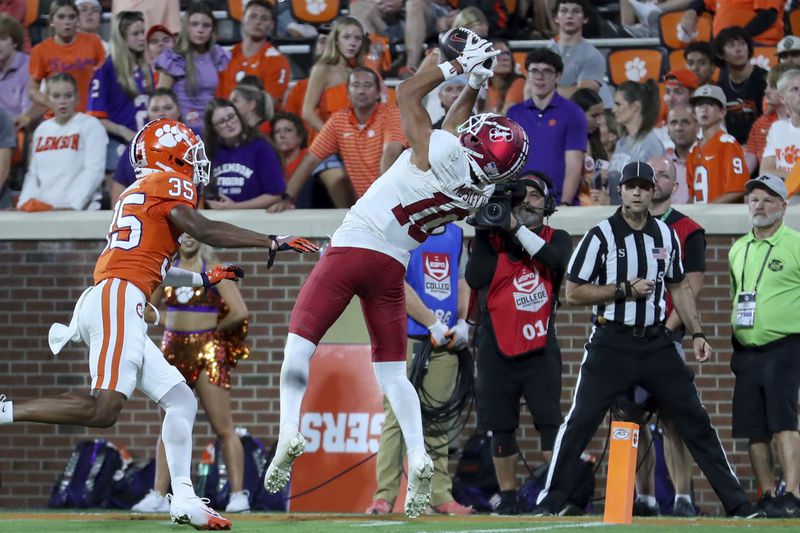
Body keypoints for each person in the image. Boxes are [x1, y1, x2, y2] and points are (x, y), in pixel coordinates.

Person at [0, 117, 318, 530]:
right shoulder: (171, 184)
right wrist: (269, 240)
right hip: (118, 296)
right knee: (103, 409)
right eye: (191, 153)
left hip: (119, 293)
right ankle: (6, 409)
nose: (196, 162)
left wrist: (204, 278)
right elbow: (202, 229)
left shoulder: (139, 190)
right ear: (170, 156)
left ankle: (183, 498)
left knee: (180, 400)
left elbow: (154, 265)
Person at [262, 30, 529, 520]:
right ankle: (420, 455)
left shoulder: (445, 152)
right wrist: (474, 82)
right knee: (391, 372)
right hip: (391, 267)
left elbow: (405, 93)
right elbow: (452, 130)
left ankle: (287, 431)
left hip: (353, 247)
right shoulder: (473, 188)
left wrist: (456, 66)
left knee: (299, 342)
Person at [531, 160, 764, 519]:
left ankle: (737, 503)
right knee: (580, 420)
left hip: (657, 342)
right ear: (620, 191)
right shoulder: (601, 235)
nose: (637, 192)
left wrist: (697, 331)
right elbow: (573, 293)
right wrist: (623, 290)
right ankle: (550, 500)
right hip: (611, 341)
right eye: (631, 186)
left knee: (696, 420)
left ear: (653, 191)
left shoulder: (666, 235)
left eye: (644, 186)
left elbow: (680, 287)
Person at [466, 172, 572, 515]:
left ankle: (555, 495)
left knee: (549, 421)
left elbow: (556, 262)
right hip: (495, 345)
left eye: (535, 196)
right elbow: (475, 277)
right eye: (520, 196)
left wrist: (514, 228)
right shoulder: (490, 237)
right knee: (500, 425)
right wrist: (488, 230)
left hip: (540, 345)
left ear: (549, 203)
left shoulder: (559, 237)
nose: (527, 201)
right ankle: (509, 497)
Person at [131, 237, 252, 514]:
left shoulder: (214, 270)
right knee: (167, 426)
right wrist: (161, 319)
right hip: (172, 352)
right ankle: (159, 494)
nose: (187, 238)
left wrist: (212, 333)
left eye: (192, 232)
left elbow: (240, 311)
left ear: (201, 236)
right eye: (181, 233)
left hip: (206, 352)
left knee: (224, 427)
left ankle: (238, 495)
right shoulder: (167, 271)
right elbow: (148, 307)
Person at [366, 223, 474, 517]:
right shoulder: (402, 234)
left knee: (437, 418)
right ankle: (384, 497)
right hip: (404, 339)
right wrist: (432, 323)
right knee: (395, 421)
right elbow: (396, 283)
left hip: (445, 342)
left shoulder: (455, 234)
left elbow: (462, 280)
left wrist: (464, 321)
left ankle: (440, 495)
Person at [621, 155, 706, 517]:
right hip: (627, 341)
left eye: (662, 176)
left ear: (672, 185)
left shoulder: (688, 229)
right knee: (632, 419)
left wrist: (664, 332)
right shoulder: (618, 227)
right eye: (649, 175)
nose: (653, 181)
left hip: (665, 340)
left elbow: (690, 288)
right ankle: (645, 498)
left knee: (674, 419)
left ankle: (683, 497)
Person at [728, 174, 800, 518]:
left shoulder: (796, 244)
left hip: (784, 346)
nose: (759, 205)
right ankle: (769, 493)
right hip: (746, 349)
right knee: (752, 426)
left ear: (784, 207)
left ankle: (794, 494)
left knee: (784, 421)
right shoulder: (738, 248)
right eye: (754, 198)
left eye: (768, 199)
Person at [272, 67, 405, 209]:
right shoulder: (339, 121)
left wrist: (384, 197)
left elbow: (391, 153)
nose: (361, 91)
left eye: (368, 85)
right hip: (368, 206)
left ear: (378, 92)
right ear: (347, 93)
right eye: (356, 85)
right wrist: (287, 198)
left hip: (397, 200)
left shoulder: (392, 113)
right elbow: (310, 160)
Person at [507, 48, 587, 206]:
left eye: (547, 71)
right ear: (527, 74)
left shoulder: (573, 113)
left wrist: (565, 203)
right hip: (520, 201)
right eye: (534, 70)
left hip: (556, 202)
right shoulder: (514, 114)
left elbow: (574, 163)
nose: (539, 77)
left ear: (557, 76)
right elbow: (508, 163)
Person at [16, 73, 107, 212]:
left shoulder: (90, 125)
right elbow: (33, 174)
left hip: (80, 210)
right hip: (45, 210)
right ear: (48, 99)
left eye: (68, 95)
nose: (62, 101)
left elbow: (94, 171)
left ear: (76, 97)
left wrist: (73, 206)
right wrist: (23, 203)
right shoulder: (42, 129)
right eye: (56, 96)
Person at [87, 10, 154, 173]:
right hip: (119, 145)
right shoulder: (106, 70)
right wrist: (123, 132)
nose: (141, 38)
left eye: (142, 32)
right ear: (122, 38)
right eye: (135, 34)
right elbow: (95, 117)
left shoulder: (147, 69)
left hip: (147, 146)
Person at [155, 1, 230, 133]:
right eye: (194, 24)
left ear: (213, 29)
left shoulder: (218, 55)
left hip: (213, 129)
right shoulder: (174, 58)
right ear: (186, 27)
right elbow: (161, 100)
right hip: (182, 130)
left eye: (206, 25)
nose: (200, 30)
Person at [203, 98, 285, 209]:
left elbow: (275, 195)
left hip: (254, 219)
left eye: (232, 117)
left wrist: (235, 207)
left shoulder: (261, 147)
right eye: (222, 121)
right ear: (213, 128)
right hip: (219, 219)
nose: (229, 123)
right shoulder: (210, 151)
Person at [28, 0, 105, 114]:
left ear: (77, 20)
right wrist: (51, 103)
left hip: (89, 114)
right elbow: (33, 90)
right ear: (51, 21)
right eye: (61, 17)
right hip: (56, 117)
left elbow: (104, 78)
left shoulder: (93, 42)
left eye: (71, 17)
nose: (67, 22)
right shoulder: (40, 50)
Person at [110, 87, 181, 204]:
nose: (162, 113)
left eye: (168, 108)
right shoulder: (133, 147)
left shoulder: (192, 145)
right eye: (155, 109)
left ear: (178, 111)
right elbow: (119, 187)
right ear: (147, 114)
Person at [217, 0, 290, 107]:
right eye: (253, 16)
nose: (258, 22)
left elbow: (269, 104)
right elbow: (218, 98)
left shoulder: (277, 60)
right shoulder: (226, 57)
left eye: (264, 18)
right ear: (242, 19)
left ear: (271, 25)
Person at [686, 84, 748, 204]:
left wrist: (709, 209)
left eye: (710, 104)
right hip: (700, 218)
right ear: (694, 113)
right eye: (699, 104)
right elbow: (692, 195)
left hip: (724, 219)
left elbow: (739, 188)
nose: (704, 108)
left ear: (722, 112)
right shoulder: (693, 150)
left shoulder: (728, 144)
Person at [607, 80, 665, 204]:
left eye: (618, 104)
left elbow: (656, 189)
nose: (613, 109)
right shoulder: (621, 142)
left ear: (635, 107)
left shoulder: (649, 143)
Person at [713, 26, 767, 146]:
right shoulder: (720, 88)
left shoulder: (765, 79)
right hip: (733, 147)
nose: (739, 49)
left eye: (742, 44)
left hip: (763, 144)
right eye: (732, 45)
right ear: (721, 54)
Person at [547, 0, 609, 103]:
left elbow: (582, 95)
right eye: (564, 11)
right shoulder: (546, 51)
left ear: (585, 18)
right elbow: (530, 90)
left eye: (576, 11)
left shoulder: (593, 55)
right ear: (555, 18)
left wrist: (544, 90)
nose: (569, 16)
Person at [744, 62, 795, 175]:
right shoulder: (760, 124)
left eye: (773, 86)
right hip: (770, 186)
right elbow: (748, 163)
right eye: (767, 86)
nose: (766, 91)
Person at [679, 0, 784, 46]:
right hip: (727, 46)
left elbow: (768, 16)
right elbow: (703, 2)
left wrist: (735, 38)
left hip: (758, 44)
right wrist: (691, 12)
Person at [569, 88, 609, 206]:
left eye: (601, 116)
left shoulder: (596, 142)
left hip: (596, 209)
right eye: (594, 115)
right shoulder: (563, 144)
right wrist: (590, 179)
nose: (600, 121)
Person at [761, 70, 800, 181]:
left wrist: (781, 174)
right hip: (782, 196)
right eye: (795, 89)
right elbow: (765, 170)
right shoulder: (778, 128)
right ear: (783, 99)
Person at [0, 13, 30, 128]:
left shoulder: (27, 67)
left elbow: (26, 116)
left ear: (15, 42)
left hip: (18, 132)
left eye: (2, 39)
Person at [665, 104, 699, 204]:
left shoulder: (709, 157)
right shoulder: (663, 162)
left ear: (697, 127)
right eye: (673, 122)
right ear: (667, 129)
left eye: (685, 122)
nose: (679, 128)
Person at [482, 39, 524, 116]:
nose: (505, 58)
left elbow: (506, 119)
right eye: (498, 54)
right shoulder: (487, 87)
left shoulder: (519, 83)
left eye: (507, 53)